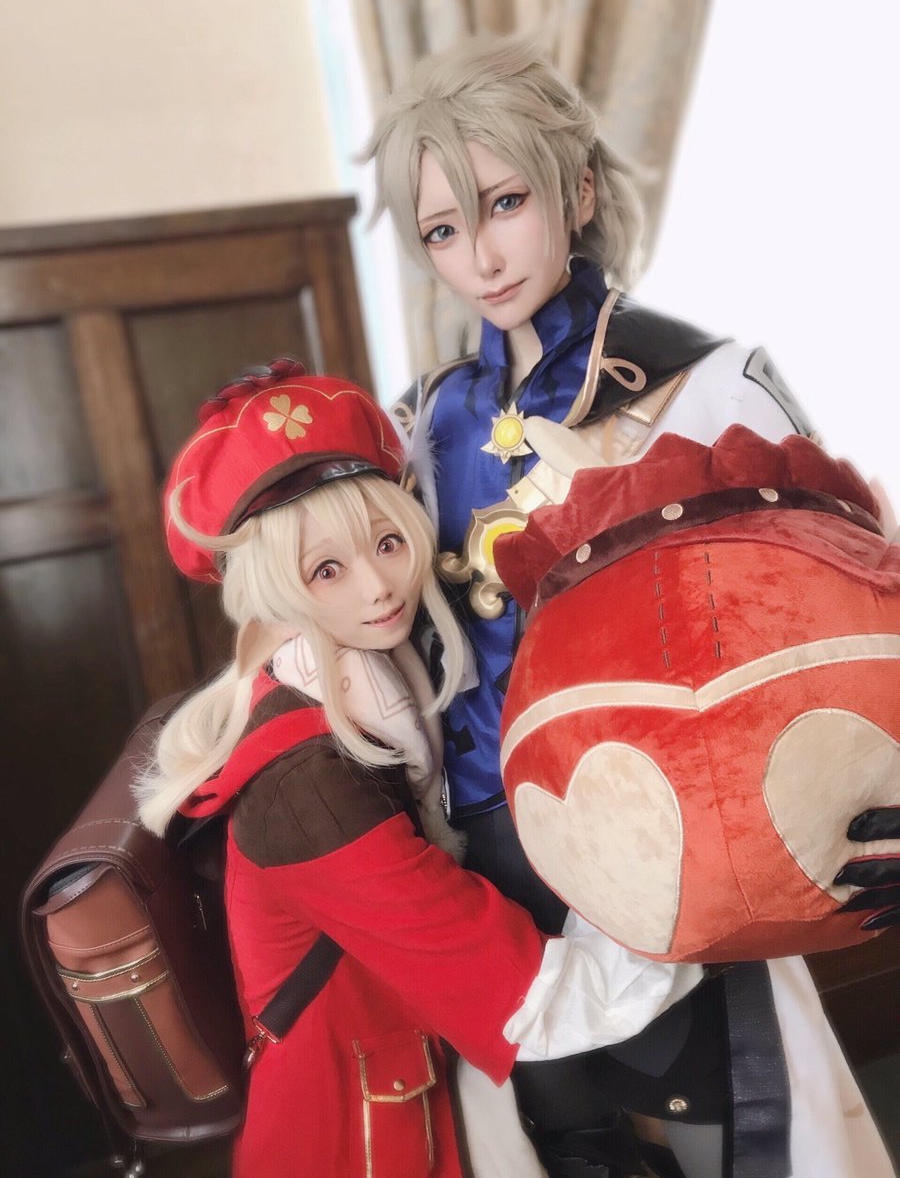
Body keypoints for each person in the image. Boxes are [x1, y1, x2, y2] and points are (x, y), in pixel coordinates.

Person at [363, 34, 897, 1178]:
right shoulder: (417, 425)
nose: (480, 257)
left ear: (580, 190)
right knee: (560, 1148)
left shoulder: (705, 381)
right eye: (442, 230)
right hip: (492, 868)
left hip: (678, 844)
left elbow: (853, 600)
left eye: (506, 204)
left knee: (732, 1137)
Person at [135, 360, 705, 1178]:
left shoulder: (355, 686)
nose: (379, 588)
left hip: (412, 1083)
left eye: (388, 543)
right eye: (326, 569)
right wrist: (696, 907)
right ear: (273, 594)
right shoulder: (305, 785)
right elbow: (529, 999)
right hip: (355, 1136)